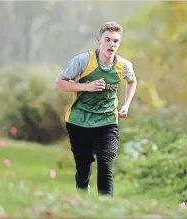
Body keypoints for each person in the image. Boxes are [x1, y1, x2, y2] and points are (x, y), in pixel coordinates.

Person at [54, 21, 137, 198]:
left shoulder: (123, 66)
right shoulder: (83, 61)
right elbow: (59, 84)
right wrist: (87, 86)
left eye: (115, 41)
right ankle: (83, 200)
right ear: (99, 40)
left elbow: (132, 81)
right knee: (83, 170)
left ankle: (105, 209)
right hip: (79, 121)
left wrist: (126, 104)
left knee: (106, 165)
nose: (111, 45)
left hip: (107, 121)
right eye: (107, 40)